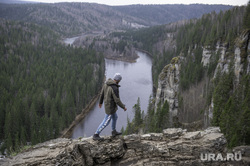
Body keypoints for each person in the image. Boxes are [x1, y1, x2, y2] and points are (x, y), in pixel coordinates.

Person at [93, 73, 127, 140]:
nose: (120, 81)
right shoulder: (114, 88)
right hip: (110, 108)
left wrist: (100, 102)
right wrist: (123, 107)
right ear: (118, 80)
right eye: (120, 80)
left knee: (115, 117)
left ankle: (113, 131)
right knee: (106, 121)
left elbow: (102, 93)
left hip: (108, 105)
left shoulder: (106, 83)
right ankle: (96, 134)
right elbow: (117, 100)